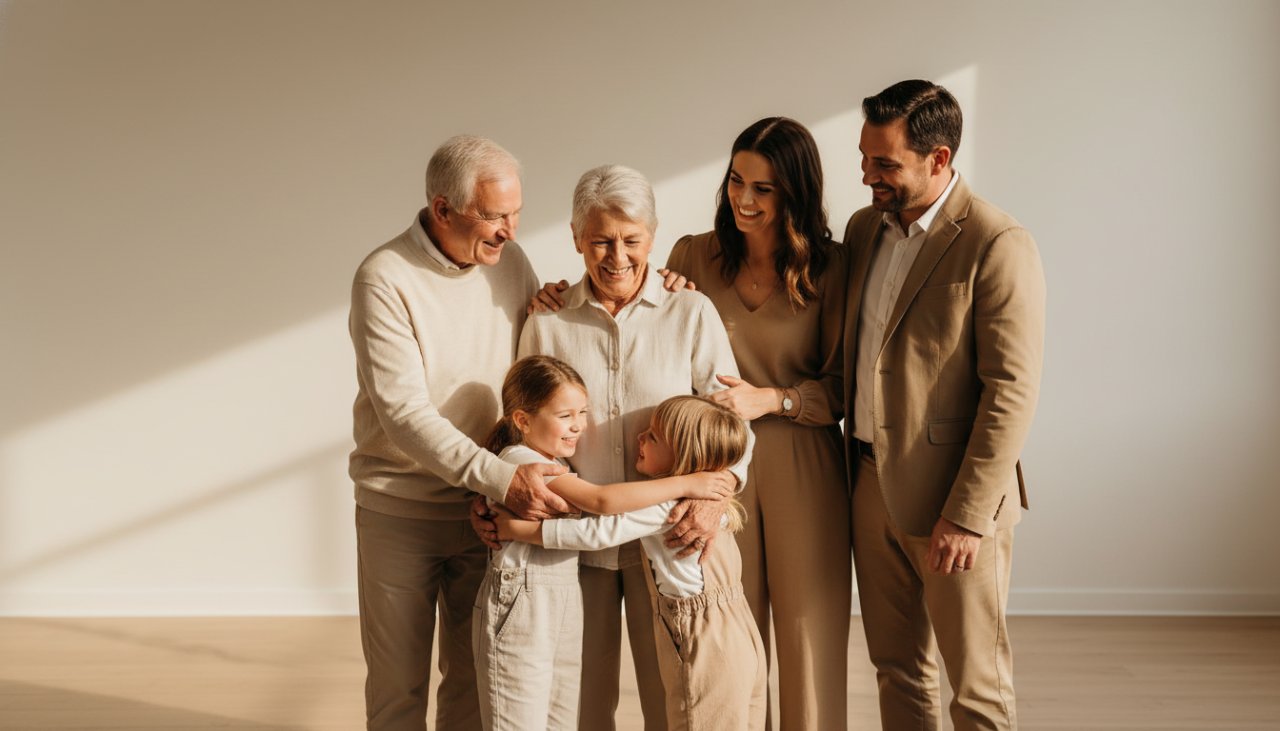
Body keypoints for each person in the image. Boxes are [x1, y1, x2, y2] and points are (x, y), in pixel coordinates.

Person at [477, 163, 750, 730]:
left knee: (672, 701)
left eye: (632, 240)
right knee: (580, 705)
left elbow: (733, 423)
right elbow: (522, 429)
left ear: (653, 236)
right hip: (574, 545)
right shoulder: (547, 320)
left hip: (668, 539)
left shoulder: (690, 311)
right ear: (577, 237)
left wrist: (718, 493)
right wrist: (495, 492)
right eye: (601, 240)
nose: (617, 256)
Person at [348, 135, 573, 731]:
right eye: (495, 216)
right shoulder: (383, 277)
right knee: (398, 692)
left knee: (476, 686)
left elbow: (533, 371)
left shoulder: (510, 264)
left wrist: (560, 307)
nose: (510, 231)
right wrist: (502, 478)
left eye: (516, 213)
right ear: (443, 209)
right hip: (402, 511)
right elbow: (404, 414)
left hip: (487, 509)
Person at [842, 80, 1046, 730]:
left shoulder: (996, 240)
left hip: (954, 501)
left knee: (977, 687)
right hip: (868, 482)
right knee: (897, 669)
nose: (867, 176)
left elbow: (1011, 390)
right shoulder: (863, 229)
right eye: (864, 158)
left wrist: (967, 515)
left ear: (939, 158)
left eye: (885, 164)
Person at [665, 117, 850, 730]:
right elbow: (655, 340)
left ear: (795, 192)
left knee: (808, 637)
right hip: (717, 469)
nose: (744, 199)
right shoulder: (692, 256)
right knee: (727, 635)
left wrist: (774, 400)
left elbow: (842, 388)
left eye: (763, 189)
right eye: (736, 181)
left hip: (805, 465)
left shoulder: (831, 267)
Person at [473, 355, 735, 731]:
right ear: (523, 421)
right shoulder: (522, 460)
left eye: (582, 412)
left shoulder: (559, 464)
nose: (579, 425)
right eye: (565, 415)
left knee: (562, 721)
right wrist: (687, 483)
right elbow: (601, 502)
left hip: (563, 592)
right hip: (521, 600)